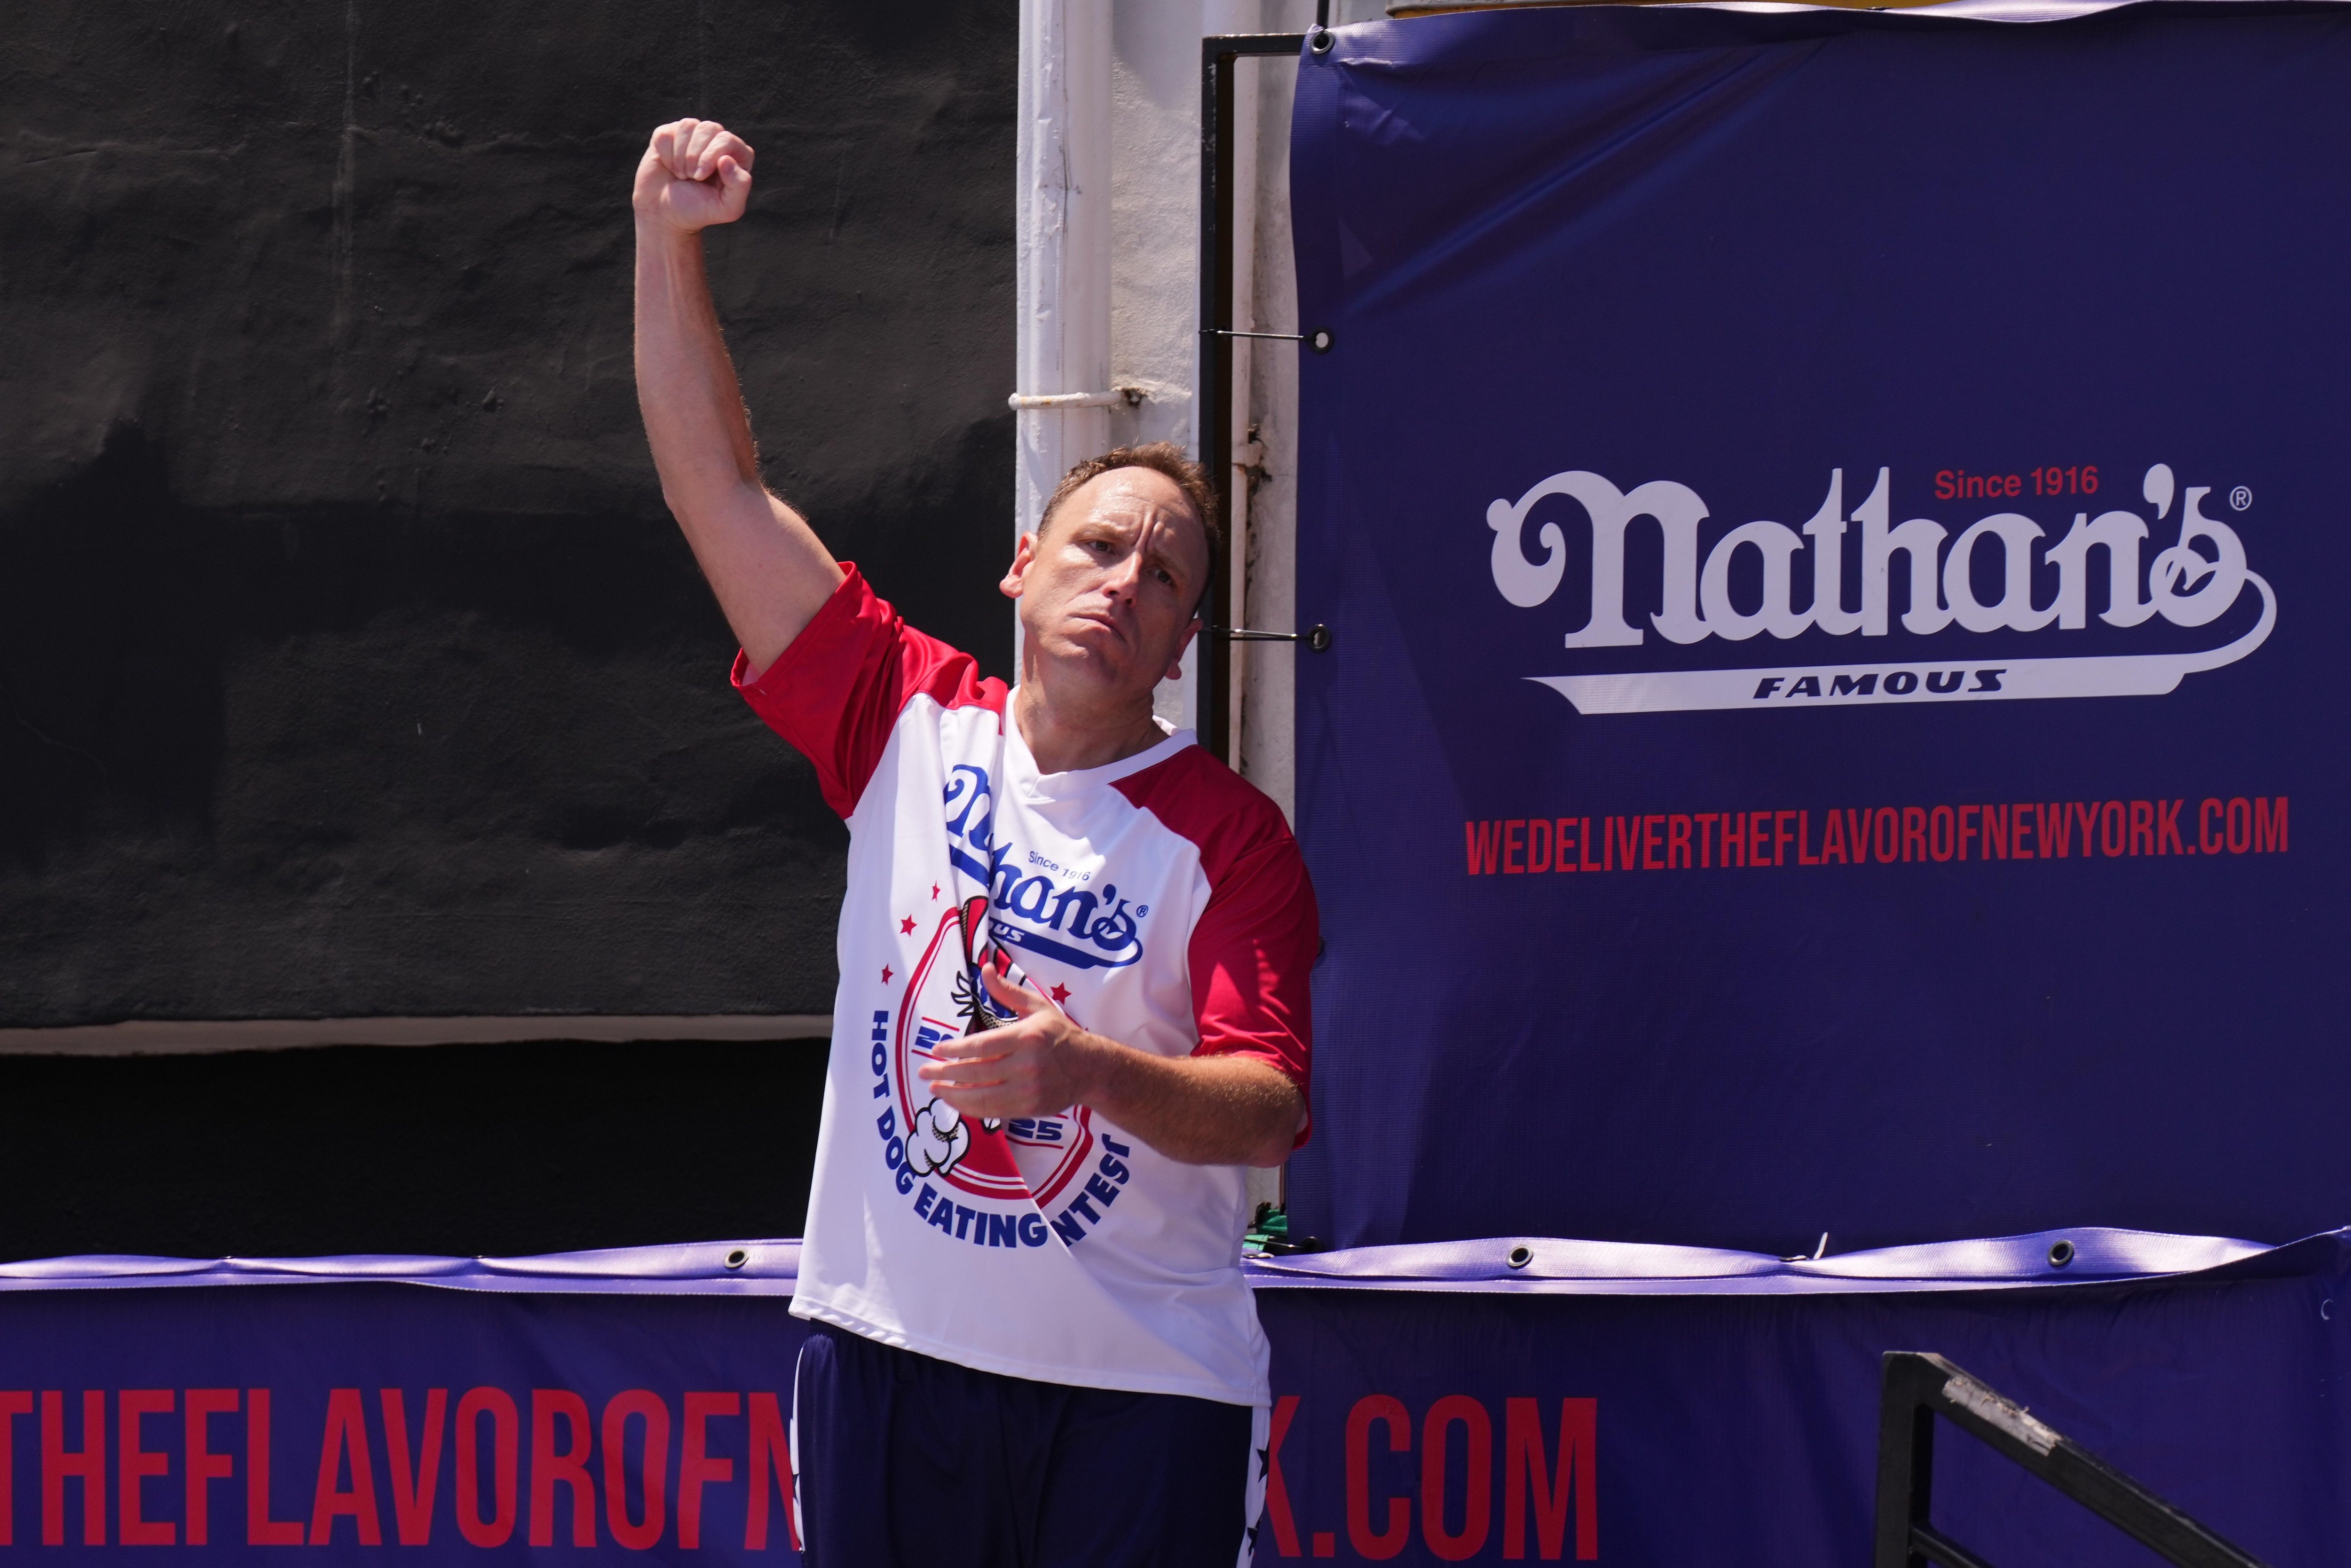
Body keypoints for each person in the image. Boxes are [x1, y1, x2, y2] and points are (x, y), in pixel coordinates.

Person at [631, 118, 1319, 1567]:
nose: (1126, 582)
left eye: (1166, 574)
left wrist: (1086, 1072)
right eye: (1098, 545)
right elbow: (717, 490)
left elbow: (1267, 1110)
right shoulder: (904, 710)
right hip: (889, 1355)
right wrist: (666, 239)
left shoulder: (1232, 840)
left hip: (1144, 1394)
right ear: (1022, 564)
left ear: (1184, 648)